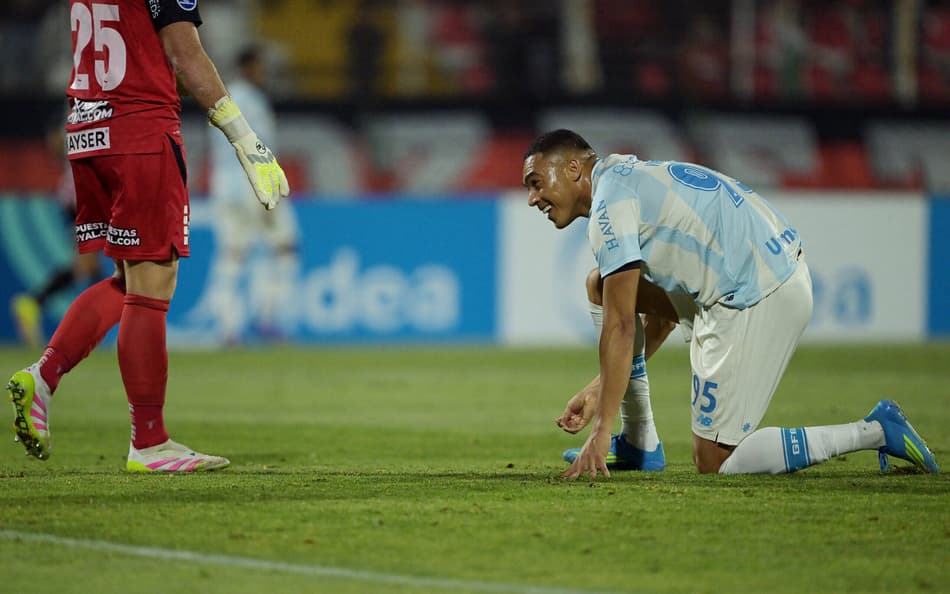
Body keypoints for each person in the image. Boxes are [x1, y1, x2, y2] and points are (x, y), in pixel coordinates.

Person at [522, 129, 940, 478]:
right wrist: (601, 390)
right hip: (762, 269)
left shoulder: (610, 209)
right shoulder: (622, 177)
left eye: (537, 182)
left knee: (716, 460)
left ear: (574, 168)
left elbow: (621, 328)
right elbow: (660, 320)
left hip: (758, 293)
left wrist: (599, 429)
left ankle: (875, 431)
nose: (532, 199)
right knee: (601, 284)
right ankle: (639, 442)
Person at [5, 0, 288, 472]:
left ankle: (44, 377)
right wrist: (244, 138)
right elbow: (184, 54)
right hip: (139, 131)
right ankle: (150, 442)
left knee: (130, 281)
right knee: (153, 283)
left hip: (87, 129)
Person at [206, 44, 299, 344]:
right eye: (260, 67)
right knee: (285, 247)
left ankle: (228, 327)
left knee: (232, 253)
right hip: (251, 183)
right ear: (248, 67)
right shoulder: (253, 102)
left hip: (223, 184)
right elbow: (254, 145)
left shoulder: (221, 97)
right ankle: (268, 319)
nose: (264, 73)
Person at [11, 123, 105, 348]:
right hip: (80, 201)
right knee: (86, 267)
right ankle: (35, 304)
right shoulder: (81, 116)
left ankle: (92, 326)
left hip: (81, 198)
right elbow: (57, 141)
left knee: (91, 270)